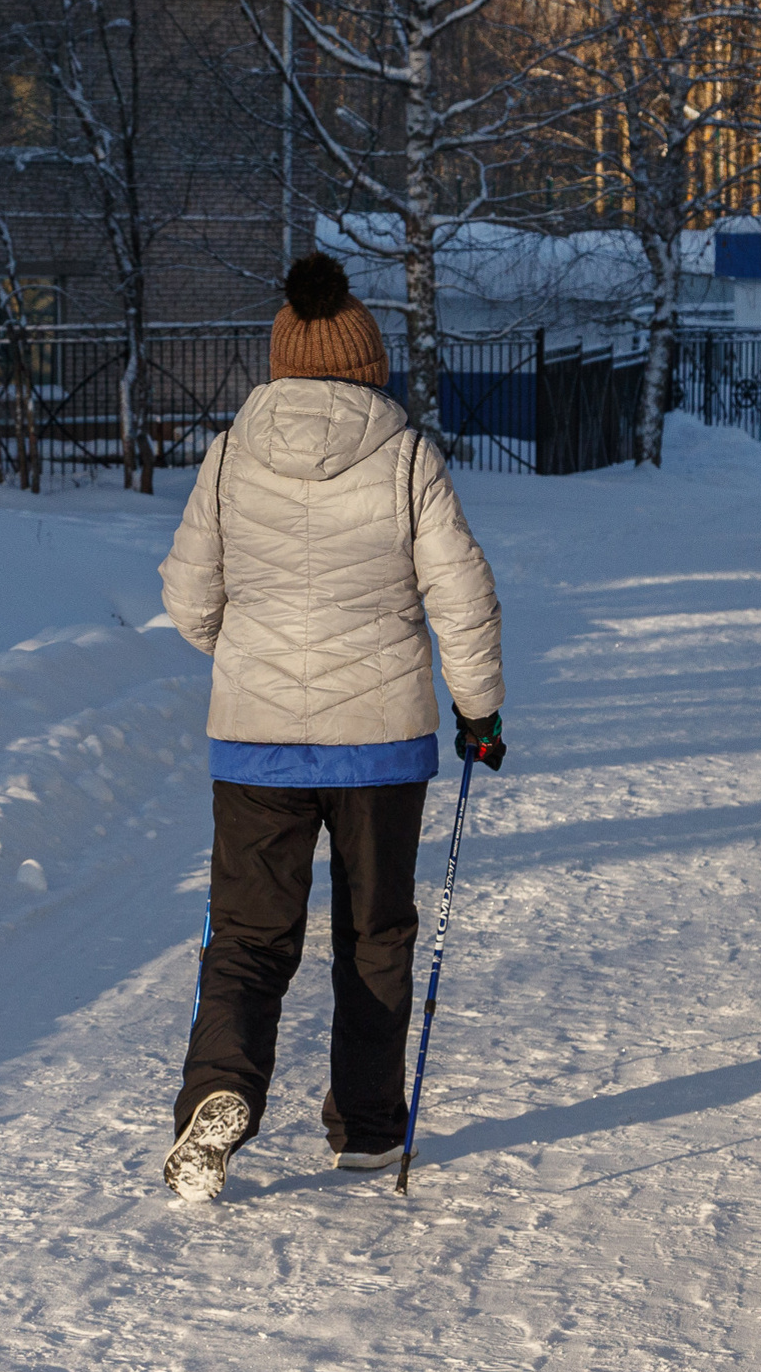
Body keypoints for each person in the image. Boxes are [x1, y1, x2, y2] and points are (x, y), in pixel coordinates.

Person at [155, 250, 505, 1203]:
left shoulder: (230, 452)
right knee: (374, 933)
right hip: (382, 746)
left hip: (257, 740)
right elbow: (462, 595)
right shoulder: (403, 454)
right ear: (366, 362)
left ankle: (221, 1088)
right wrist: (478, 711)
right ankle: (365, 1130)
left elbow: (188, 597)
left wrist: (251, 652)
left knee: (247, 936)